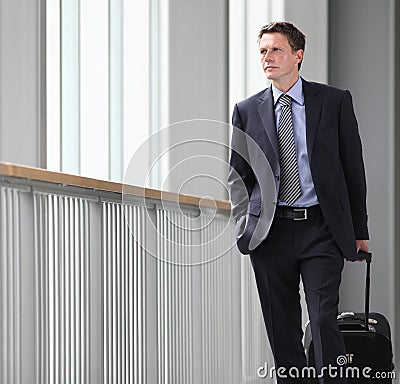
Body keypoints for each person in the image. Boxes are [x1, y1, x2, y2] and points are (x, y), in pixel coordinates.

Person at [228, 21, 369, 384]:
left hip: (321, 228)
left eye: (276, 50)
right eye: (263, 51)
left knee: (323, 319)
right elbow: (237, 176)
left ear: (298, 55)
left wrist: (359, 230)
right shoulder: (246, 110)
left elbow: (353, 167)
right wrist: (246, 224)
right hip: (269, 234)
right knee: (282, 328)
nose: (268, 58)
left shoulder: (335, 101)